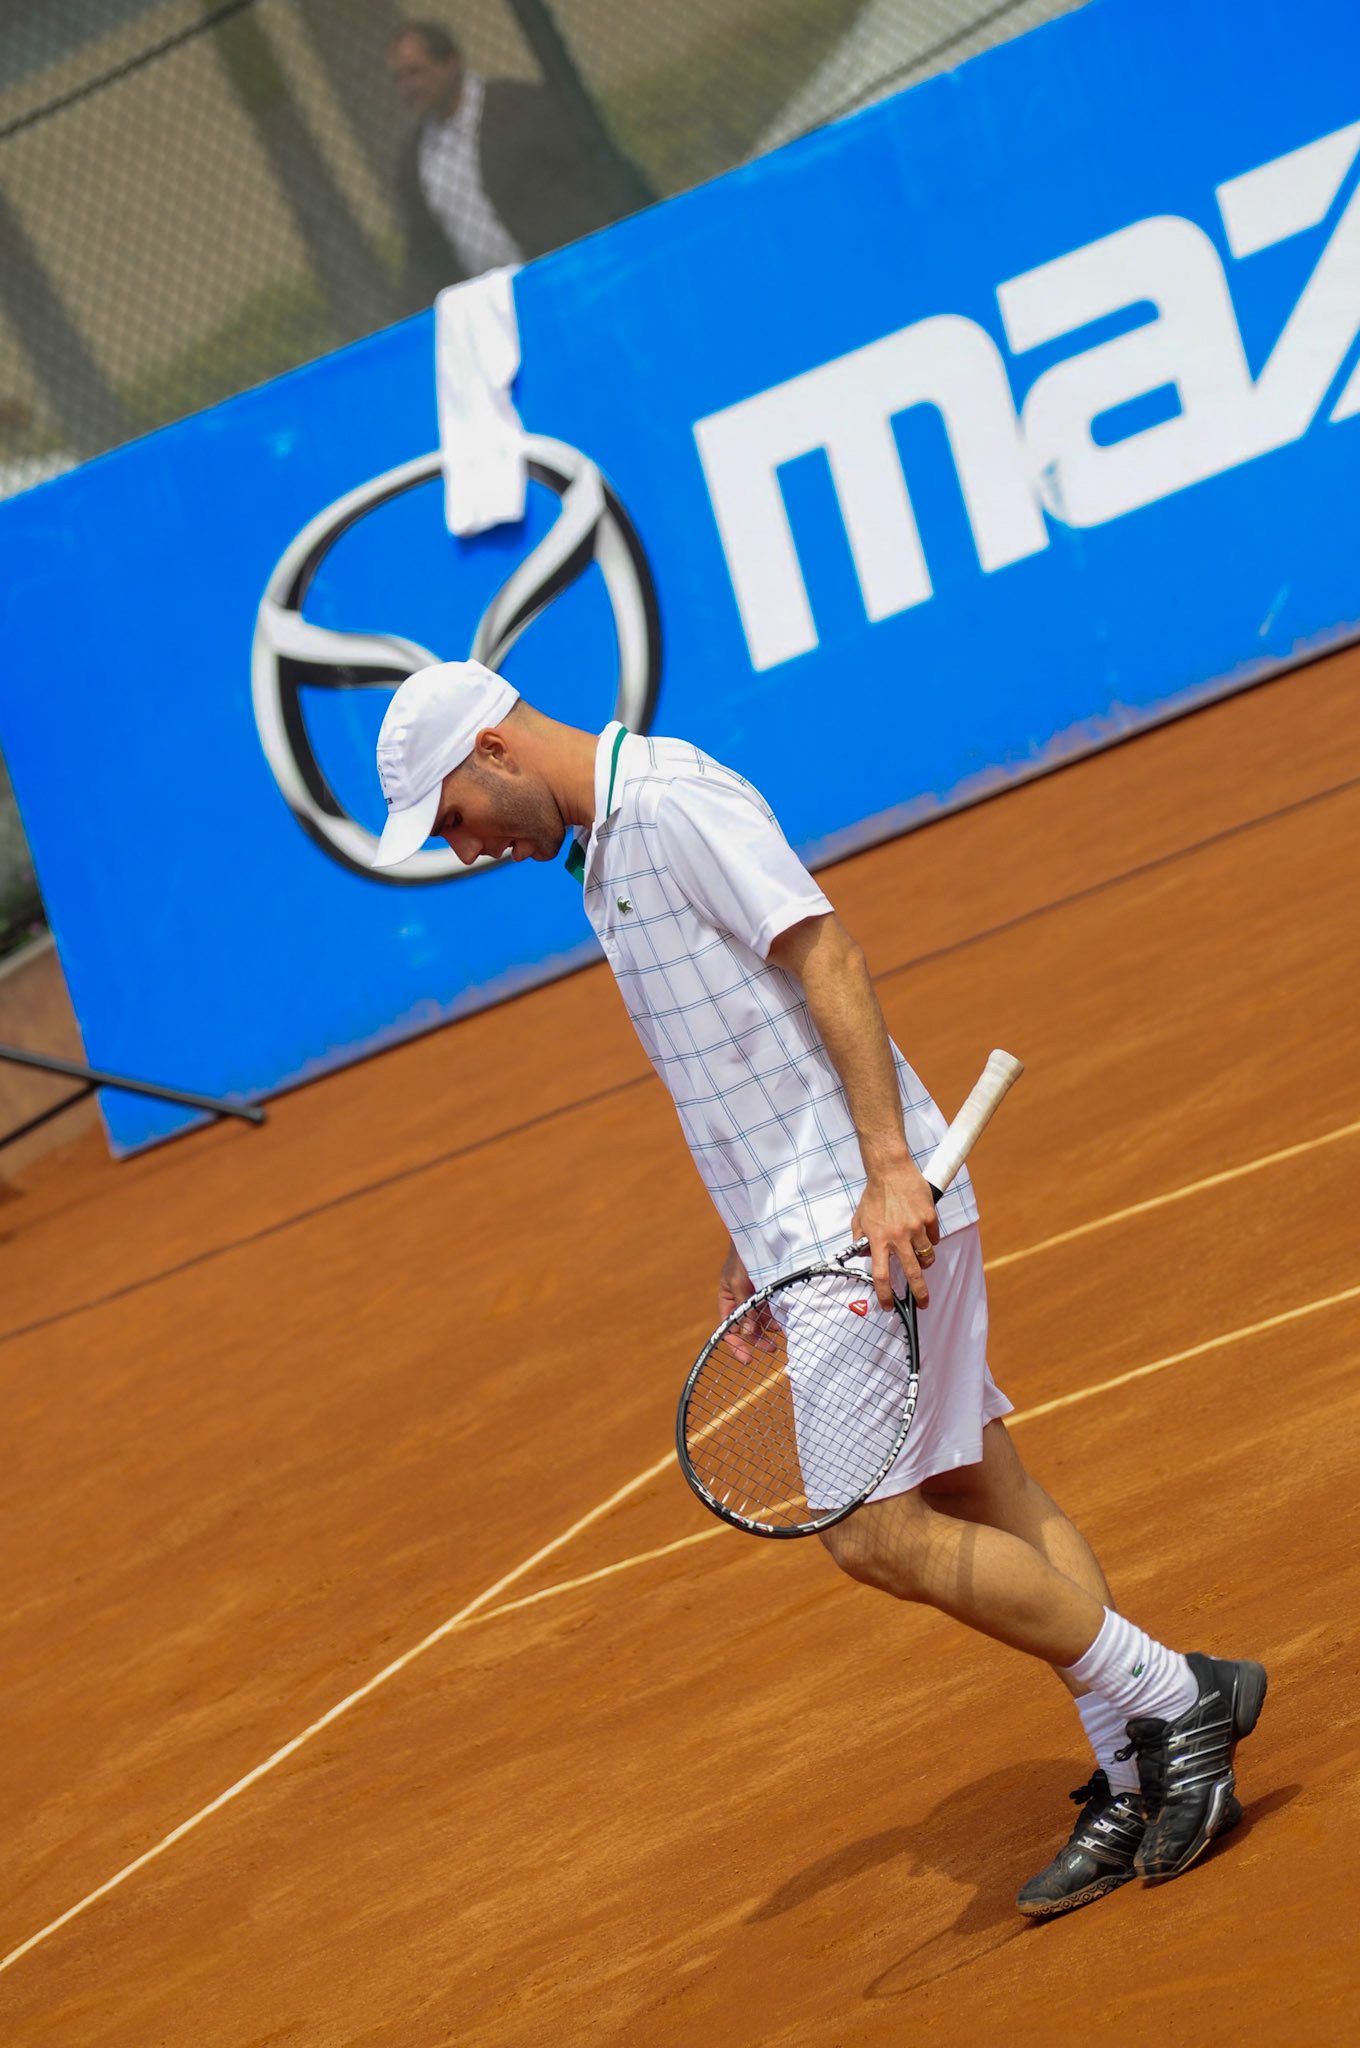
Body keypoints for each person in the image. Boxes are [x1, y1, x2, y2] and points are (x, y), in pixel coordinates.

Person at [369, 660, 1268, 1918]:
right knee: (980, 1484)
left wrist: (888, 1167)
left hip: (862, 1215)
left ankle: (1178, 1695)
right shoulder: (603, 849)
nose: (463, 849)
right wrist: (746, 1230)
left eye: (453, 817)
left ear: (494, 749)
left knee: (868, 1530)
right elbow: (734, 1053)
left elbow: (824, 950)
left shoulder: (670, 801)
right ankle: (1137, 1766)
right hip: (809, 1217)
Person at [388, 19, 627, 306]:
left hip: (571, 274)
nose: (408, 87)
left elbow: (585, 173)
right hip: (500, 307)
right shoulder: (415, 160)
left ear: (451, 63)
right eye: (399, 79)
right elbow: (425, 252)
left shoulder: (519, 108)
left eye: (416, 72)